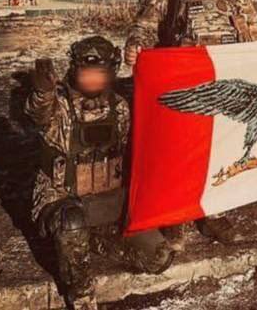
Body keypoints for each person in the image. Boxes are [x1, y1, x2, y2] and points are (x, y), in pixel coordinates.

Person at [124, 0, 257, 246]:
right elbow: (145, 27)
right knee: (180, 153)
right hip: (184, 86)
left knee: (221, 150)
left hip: (225, 85)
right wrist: (135, 46)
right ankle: (177, 216)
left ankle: (214, 213)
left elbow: (253, 31)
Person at [26, 36, 173, 310]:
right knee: (72, 221)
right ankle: (81, 292)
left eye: (99, 73)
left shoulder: (119, 107)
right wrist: (42, 92)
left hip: (109, 205)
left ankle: (95, 242)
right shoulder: (59, 107)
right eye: (87, 72)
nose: (92, 79)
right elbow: (38, 113)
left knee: (159, 257)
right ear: (75, 70)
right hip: (63, 202)